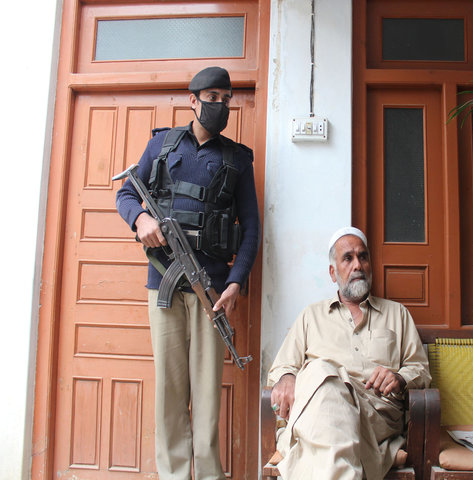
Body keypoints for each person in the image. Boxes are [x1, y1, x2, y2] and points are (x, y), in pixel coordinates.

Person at [115, 66, 260, 480]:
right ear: (192, 100)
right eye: (212, 97)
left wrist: (236, 282)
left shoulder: (237, 159)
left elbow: (250, 228)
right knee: (170, 390)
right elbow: (126, 192)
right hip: (163, 282)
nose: (221, 105)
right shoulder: (161, 145)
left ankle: (210, 474)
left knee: (208, 393)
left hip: (211, 290)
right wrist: (140, 219)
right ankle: (175, 474)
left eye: (227, 98)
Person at [267, 227, 430, 480]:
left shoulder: (397, 315)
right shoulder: (311, 316)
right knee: (322, 374)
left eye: (363, 257)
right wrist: (287, 377)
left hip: (374, 419)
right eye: (348, 258)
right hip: (319, 414)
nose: (358, 265)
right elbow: (280, 369)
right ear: (333, 273)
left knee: (321, 377)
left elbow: (420, 370)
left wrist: (399, 378)